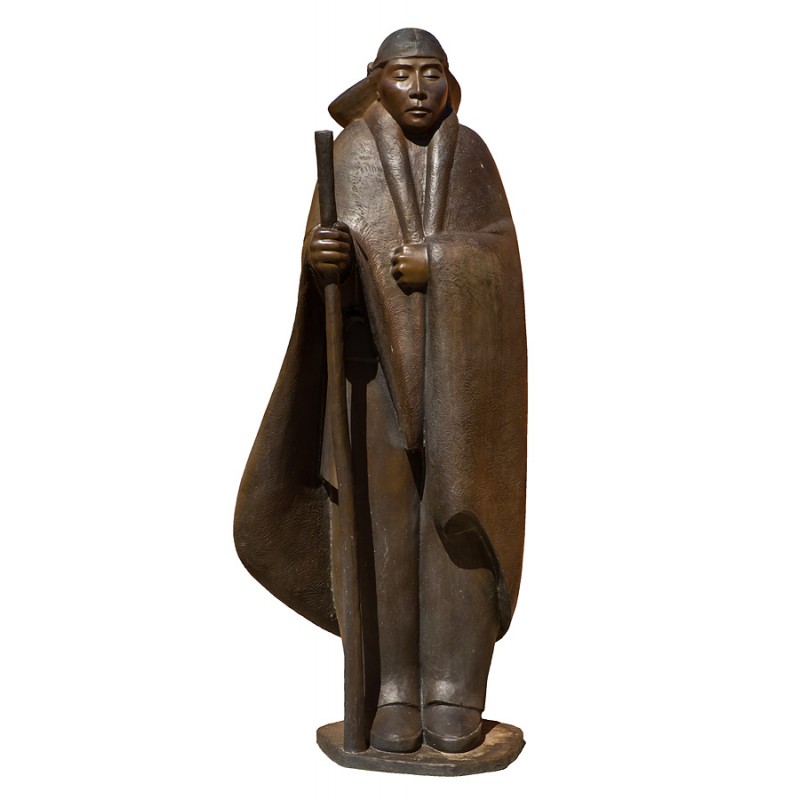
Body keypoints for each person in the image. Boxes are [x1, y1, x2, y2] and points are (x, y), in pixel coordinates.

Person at [235, 28, 526, 755]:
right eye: (403, 75)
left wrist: (441, 263)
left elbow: (501, 258)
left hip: (459, 386)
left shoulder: (472, 155)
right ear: (377, 80)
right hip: (369, 383)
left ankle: (452, 689)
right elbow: (323, 270)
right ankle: (391, 689)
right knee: (381, 532)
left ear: (449, 82)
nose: (419, 89)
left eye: (432, 74)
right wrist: (322, 260)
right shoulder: (348, 157)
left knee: (454, 528)